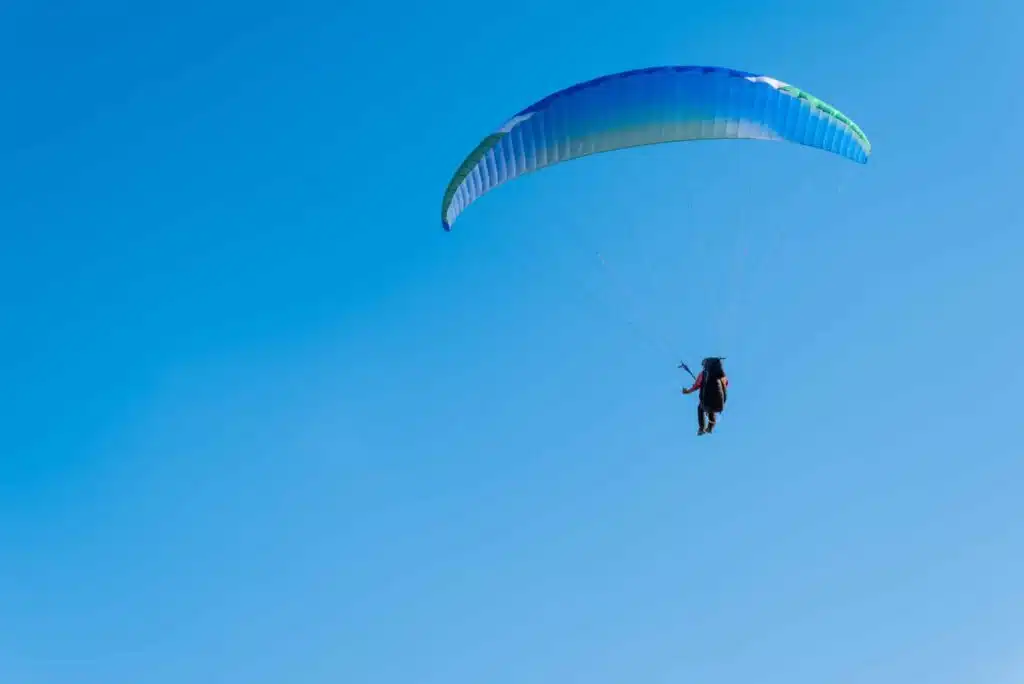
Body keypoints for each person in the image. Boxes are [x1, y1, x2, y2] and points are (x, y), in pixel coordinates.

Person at [682, 357, 728, 435]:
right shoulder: (722, 376)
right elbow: (726, 385)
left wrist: (687, 391)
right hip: (720, 405)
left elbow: (696, 386)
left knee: (701, 407)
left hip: (708, 404)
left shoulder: (703, 374)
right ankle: (710, 427)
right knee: (711, 407)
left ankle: (701, 428)